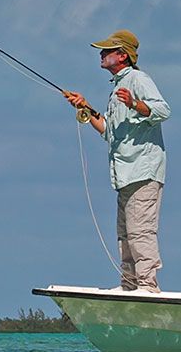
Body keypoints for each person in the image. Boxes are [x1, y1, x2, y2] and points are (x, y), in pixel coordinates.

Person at [64, 30, 171, 291]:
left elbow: (163, 110)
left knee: (140, 232)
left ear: (123, 55)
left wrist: (136, 104)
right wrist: (85, 108)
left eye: (107, 50)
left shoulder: (137, 79)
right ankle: (129, 286)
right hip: (124, 174)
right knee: (125, 235)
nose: (101, 54)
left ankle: (147, 285)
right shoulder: (116, 90)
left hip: (143, 170)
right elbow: (109, 133)